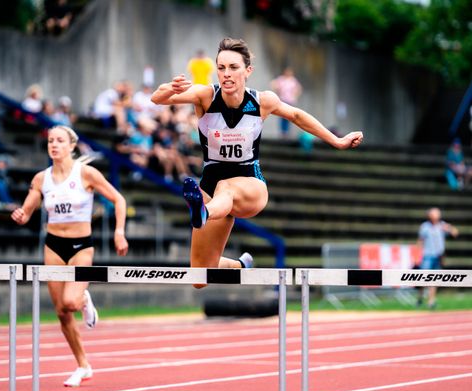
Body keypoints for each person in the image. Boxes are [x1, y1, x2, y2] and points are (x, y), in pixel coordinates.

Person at [151, 37, 363, 287]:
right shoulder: (205, 96)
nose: (226, 74)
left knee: (226, 188)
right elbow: (157, 98)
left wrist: (337, 141)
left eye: (233, 67)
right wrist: (171, 88)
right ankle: (240, 264)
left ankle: (203, 212)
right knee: (200, 276)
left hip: (250, 185)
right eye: (221, 68)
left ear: (247, 70)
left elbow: (296, 115)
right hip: (210, 187)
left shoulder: (262, 101)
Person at [11, 125, 128, 387]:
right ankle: (82, 365)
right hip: (53, 245)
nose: (54, 145)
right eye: (50, 140)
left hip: (81, 246)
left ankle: (83, 297)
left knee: (71, 303)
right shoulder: (42, 178)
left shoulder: (85, 173)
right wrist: (21, 214)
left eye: (59, 141)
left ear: (71, 146)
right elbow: (27, 209)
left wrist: (119, 232)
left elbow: (119, 200)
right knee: (62, 313)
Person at [417, 207, 459, 309]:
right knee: (423, 278)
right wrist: (417, 254)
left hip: (438, 255)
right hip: (427, 255)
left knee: (435, 279)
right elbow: (420, 241)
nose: (437, 215)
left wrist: (448, 228)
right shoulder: (425, 226)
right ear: (430, 215)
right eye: (435, 213)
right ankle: (420, 297)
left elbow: (455, 233)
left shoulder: (442, 225)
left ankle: (431, 301)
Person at [271, 67, 302, 137]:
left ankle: (287, 131)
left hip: (290, 100)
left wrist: (295, 95)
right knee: (282, 116)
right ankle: (282, 132)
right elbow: (273, 84)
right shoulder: (281, 79)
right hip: (282, 100)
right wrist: (278, 91)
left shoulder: (293, 80)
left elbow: (298, 88)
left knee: (289, 116)